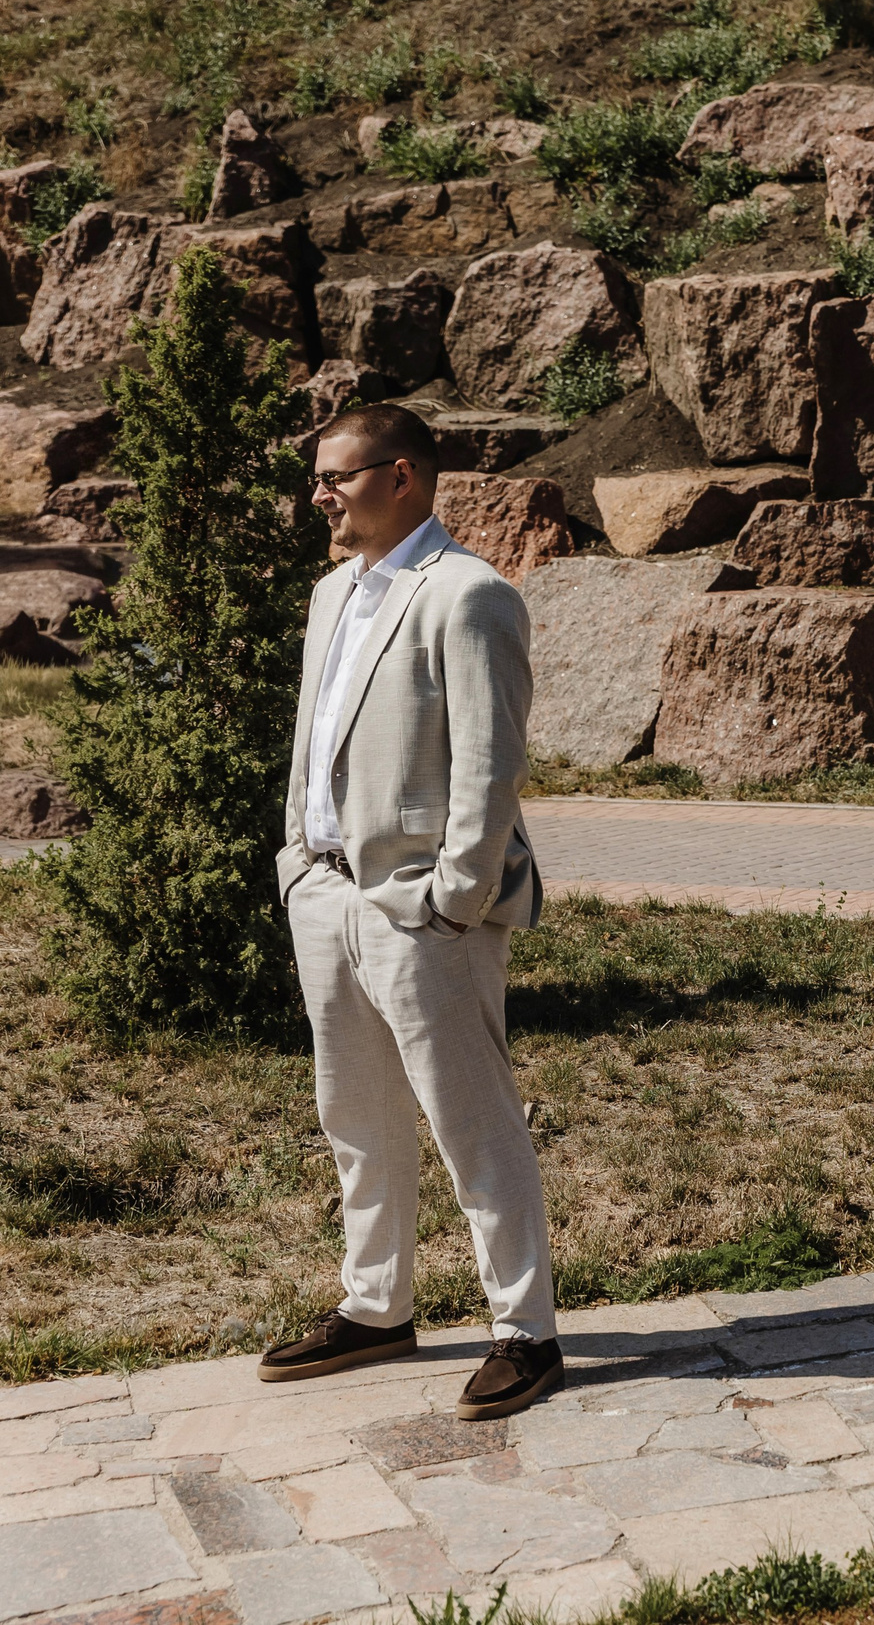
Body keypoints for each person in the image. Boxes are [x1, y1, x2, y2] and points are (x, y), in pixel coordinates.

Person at [257, 403, 562, 1420]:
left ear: (402, 478)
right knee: (355, 1114)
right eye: (317, 478)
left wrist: (452, 900)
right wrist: (298, 863)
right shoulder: (330, 594)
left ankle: (526, 1332)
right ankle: (377, 1305)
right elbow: (318, 741)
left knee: (469, 1119)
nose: (320, 495)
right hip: (326, 892)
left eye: (336, 477)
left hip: (422, 910)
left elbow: (490, 766)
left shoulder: (469, 596)